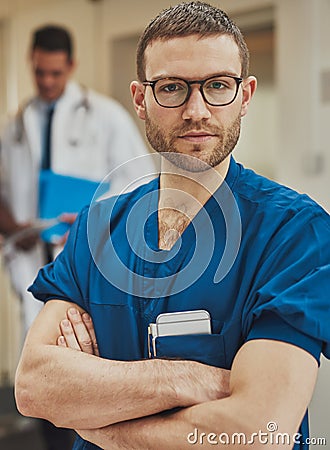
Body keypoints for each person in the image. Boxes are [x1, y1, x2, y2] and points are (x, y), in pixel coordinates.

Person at [15, 2, 330, 450]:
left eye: (218, 85)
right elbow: (34, 387)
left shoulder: (297, 234)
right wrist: (186, 378)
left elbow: (261, 430)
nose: (196, 110)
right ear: (141, 99)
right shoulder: (96, 229)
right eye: (172, 88)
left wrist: (99, 424)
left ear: (245, 95)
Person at [0, 24, 154, 335]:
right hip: (30, 256)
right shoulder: (14, 127)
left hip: (88, 254)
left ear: (71, 65)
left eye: (55, 74)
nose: (46, 81)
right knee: (34, 345)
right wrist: (14, 228)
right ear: (31, 60)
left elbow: (142, 183)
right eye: (40, 72)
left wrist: (91, 220)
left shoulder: (106, 116)